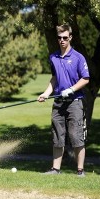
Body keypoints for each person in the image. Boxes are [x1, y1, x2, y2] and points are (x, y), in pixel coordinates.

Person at [37, 24, 89, 177]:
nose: (62, 40)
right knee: (57, 135)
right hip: (59, 102)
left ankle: (80, 171)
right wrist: (46, 93)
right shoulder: (53, 57)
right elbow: (54, 78)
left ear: (70, 37)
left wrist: (71, 89)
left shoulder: (78, 57)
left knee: (75, 136)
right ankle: (55, 169)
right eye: (59, 38)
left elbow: (85, 78)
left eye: (65, 38)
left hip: (75, 101)